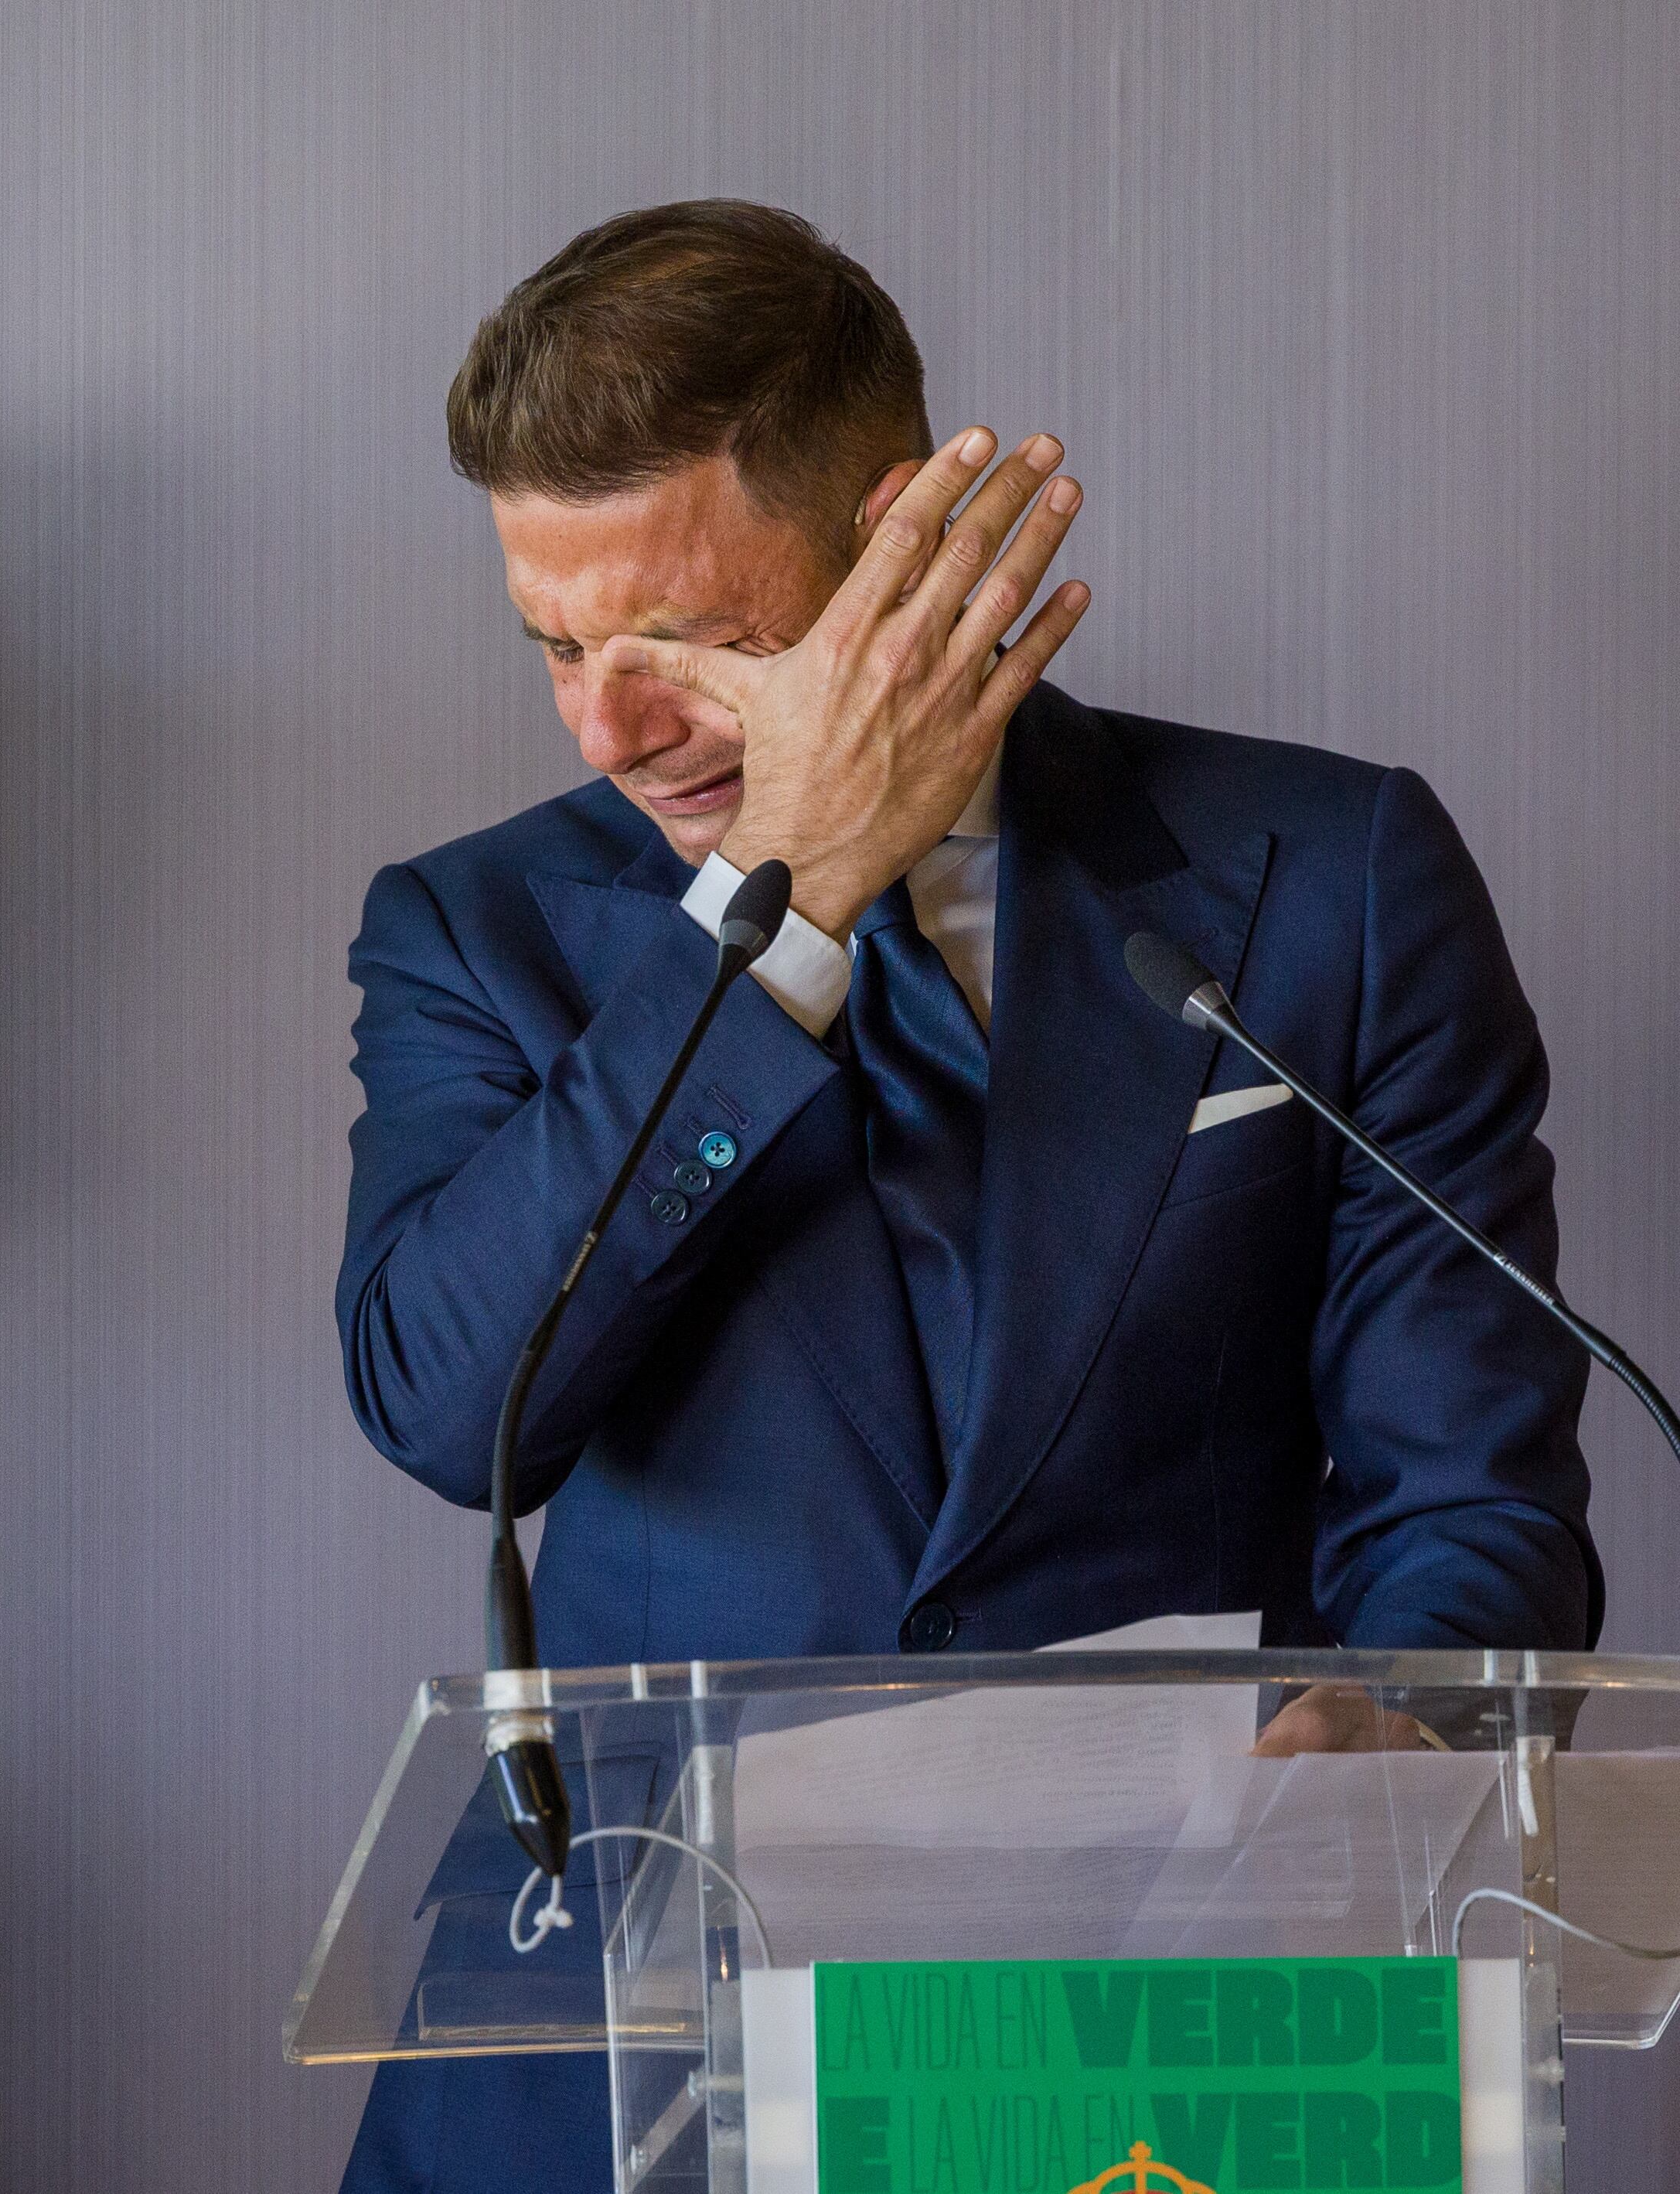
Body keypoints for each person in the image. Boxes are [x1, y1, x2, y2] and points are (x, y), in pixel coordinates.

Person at [332, 200, 1600, 2194]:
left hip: (1184, 2017)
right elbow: (445, 1401)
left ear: (911, 543)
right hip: (623, 2046)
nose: (612, 723)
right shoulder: (477, 932)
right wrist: (789, 907)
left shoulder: (1336, 880)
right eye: (559, 644)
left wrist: (1410, 1733)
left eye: (700, 641)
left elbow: (1473, 1494)